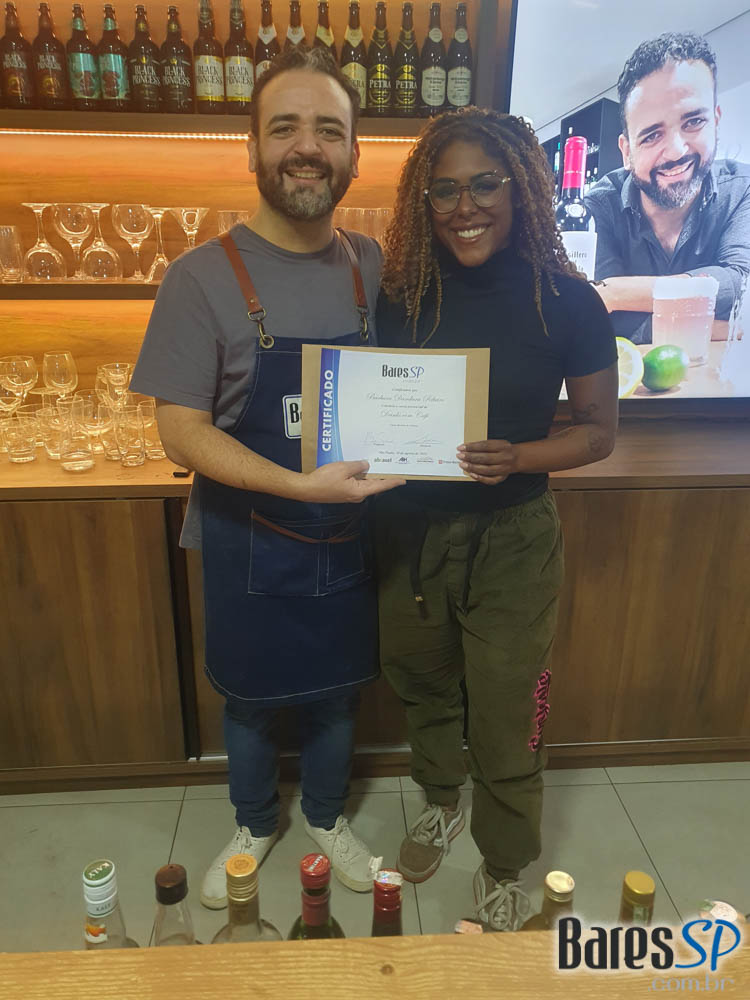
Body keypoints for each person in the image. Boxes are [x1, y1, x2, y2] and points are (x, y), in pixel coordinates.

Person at [130, 47, 402, 909]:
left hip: (349, 532)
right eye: (285, 127)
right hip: (246, 538)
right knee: (247, 699)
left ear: (354, 153)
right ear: (251, 148)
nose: (307, 147)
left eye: (329, 129)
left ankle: (324, 815)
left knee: (338, 693)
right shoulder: (199, 278)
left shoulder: (374, 266)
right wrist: (299, 487)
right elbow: (180, 430)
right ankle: (253, 823)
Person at [375, 108, 618, 931]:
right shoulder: (399, 297)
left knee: (510, 707)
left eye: (485, 183)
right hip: (408, 534)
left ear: (521, 189)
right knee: (423, 685)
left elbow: (598, 433)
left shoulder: (569, 302)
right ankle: (441, 800)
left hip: (514, 537)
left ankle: (506, 861)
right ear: (424, 201)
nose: (465, 206)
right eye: (444, 190)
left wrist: (517, 457)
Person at [584, 31, 750, 344]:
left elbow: (741, 283)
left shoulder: (742, 189)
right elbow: (600, 321)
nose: (675, 151)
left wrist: (615, 292)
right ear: (626, 151)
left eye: (693, 122)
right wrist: (718, 327)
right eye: (651, 135)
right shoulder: (598, 208)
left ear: (716, 122)